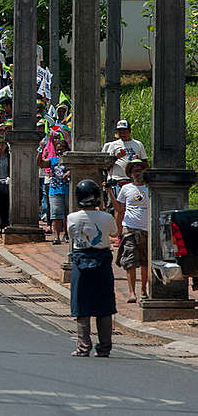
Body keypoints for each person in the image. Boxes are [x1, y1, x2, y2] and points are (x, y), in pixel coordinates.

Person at [67, 179, 117, 357]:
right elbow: (114, 232)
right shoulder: (107, 217)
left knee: (81, 305)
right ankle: (104, 347)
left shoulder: (72, 218)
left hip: (81, 261)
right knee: (104, 305)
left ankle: (83, 347)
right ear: (97, 198)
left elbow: (71, 235)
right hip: (102, 261)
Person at [102, 119, 147, 234]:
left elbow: (145, 163)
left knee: (133, 206)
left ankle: (131, 230)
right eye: (119, 131)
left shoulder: (138, 144)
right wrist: (116, 157)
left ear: (129, 131)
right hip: (117, 179)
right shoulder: (112, 145)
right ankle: (119, 234)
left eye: (124, 131)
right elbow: (104, 165)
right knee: (119, 209)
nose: (122, 133)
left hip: (133, 180)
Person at [115, 158, 150, 303]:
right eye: (135, 171)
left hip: (147, 228)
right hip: (130, 228)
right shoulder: (126, 189)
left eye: (140, 170)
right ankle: (131, 292)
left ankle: (143, 290)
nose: (138, 173)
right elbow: (119, 209)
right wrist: (118, 230)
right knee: (130, 261)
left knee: (145, 262)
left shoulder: (150, 188)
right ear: (130, 174)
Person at [38, 137, 70, 244]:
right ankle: (56, 237)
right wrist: (41, 151)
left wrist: (69, 173)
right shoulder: (53, 160)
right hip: (55, 190)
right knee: (56, 214)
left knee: (67, 214)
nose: (60, 151)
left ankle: (66, 234)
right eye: (58, 149)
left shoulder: (70, 160)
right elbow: (40, 163)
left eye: (62, 149)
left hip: (67, 189)